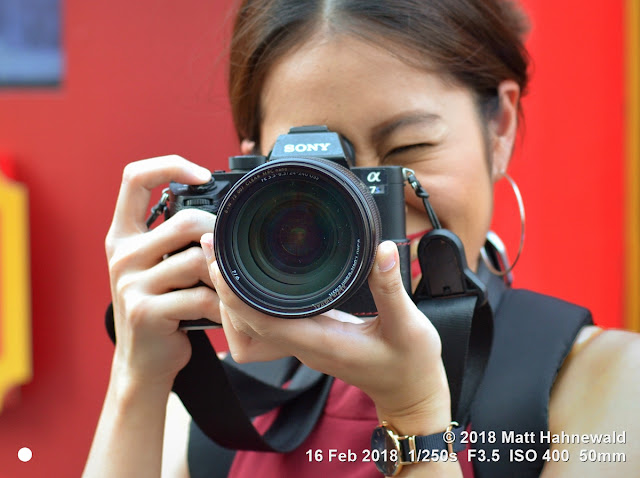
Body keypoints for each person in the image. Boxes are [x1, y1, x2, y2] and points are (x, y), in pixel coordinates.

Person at [82, 1, 640, 477]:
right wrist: (139, 375)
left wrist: (416, 416)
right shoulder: (223, 404)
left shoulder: (609, 386)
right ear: (251, 175)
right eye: (322, 170)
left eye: (408, 152)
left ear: (501, 129)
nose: (368, 218)